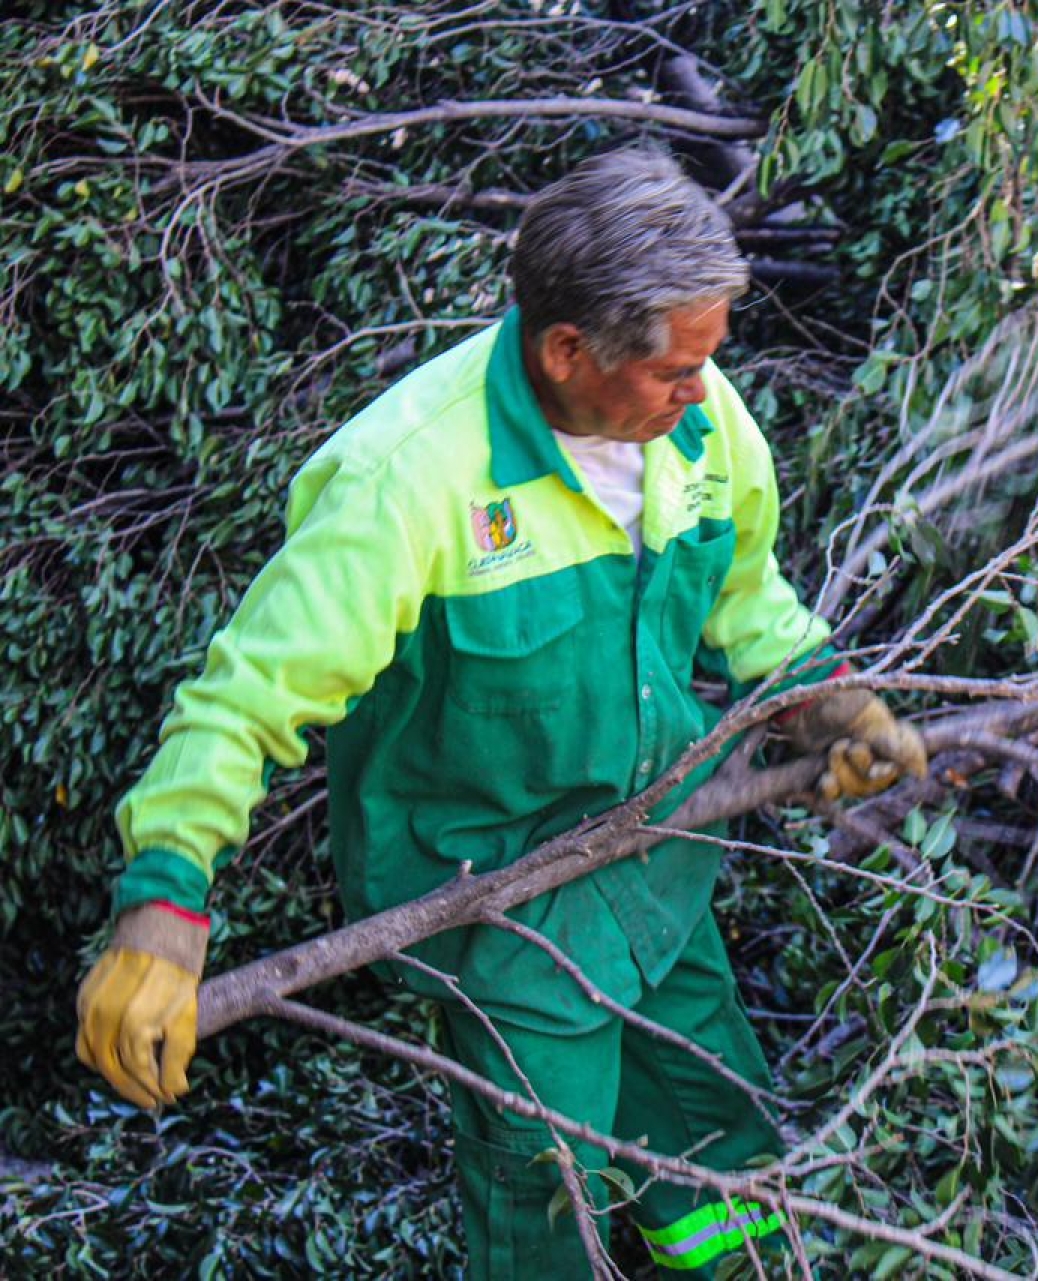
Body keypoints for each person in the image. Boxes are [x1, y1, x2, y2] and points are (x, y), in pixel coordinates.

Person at [73, 149, 927, 1278]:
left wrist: (832, 706)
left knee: (725, 1145)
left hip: (657, 866)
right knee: (548, 1192)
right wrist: (161, 912)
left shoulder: (703, 423)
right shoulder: (411, 479)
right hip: (501, 909)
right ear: (568, 350)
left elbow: (746, 593)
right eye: (675, 370)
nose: (703, 392)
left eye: (708, 361)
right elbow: (246, 698)